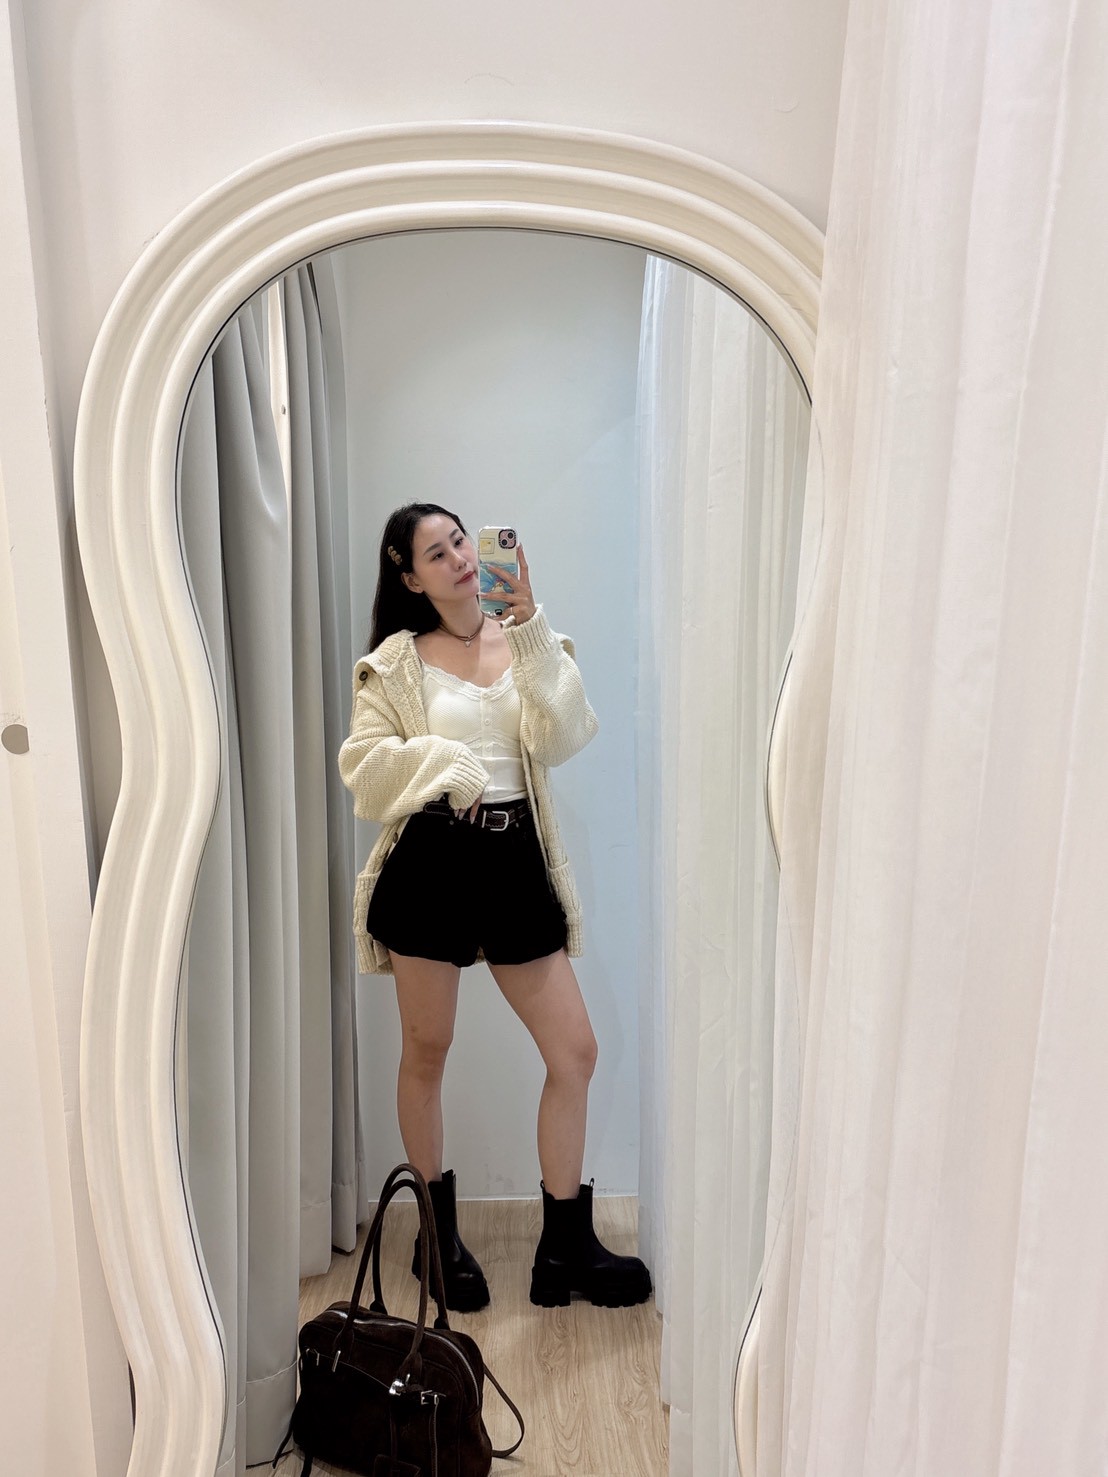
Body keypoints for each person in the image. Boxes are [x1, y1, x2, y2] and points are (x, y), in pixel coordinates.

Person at [338, 501, 651, 1312]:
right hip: (431, 861)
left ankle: (564, 1248)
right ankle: (435, 1239)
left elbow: (565, 734)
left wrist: (532, 624)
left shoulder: (525, 640)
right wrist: (446, 760)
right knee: (427, 1049)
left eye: (459, 541)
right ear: (411, 578)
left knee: (574, 1051)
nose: (458, 558)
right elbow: (364, 770)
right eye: (436, 553)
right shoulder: (396, 663)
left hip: (514, 860)